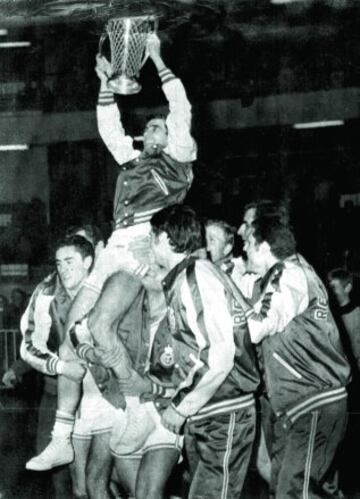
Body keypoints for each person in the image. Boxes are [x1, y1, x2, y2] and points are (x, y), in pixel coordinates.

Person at [27, 30, 197, 473]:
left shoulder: (181, 154)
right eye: (150, 126)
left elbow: (181, 108)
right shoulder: (133, 158)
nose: (155, 128)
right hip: (116, 245)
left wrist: (158, 58)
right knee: (69, 336)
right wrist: (106, 82)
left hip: (144, 245)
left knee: (101, 325)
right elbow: (108, 128)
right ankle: (61, 436)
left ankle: (135, 399)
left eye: (159, 126)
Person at [150, 204, 260, 499]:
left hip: (223, 411)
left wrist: (180, 406)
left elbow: (218, 355)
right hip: (210, 410)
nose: (150, 246)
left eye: (153, 237)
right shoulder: (190, 275)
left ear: (165, 239)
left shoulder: (194, 277)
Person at [236, 214, 350, 498]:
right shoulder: (290, 272)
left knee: (292, 492)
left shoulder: (287, 274)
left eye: (249, 243)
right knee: (283, 490)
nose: (244, 249)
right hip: (299, 405)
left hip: (313, 402)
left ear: (264, 247)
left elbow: (257, 326)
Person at [20, 233, 117, 499]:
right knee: (76, 486)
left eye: (70, 261)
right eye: (59, 263)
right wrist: (62, 367)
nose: (63, 269)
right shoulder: (47, 292)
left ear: (89, 261)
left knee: (107, 480)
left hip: (108, 392)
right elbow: (27, 346)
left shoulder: (111, 285)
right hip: (63, 394)